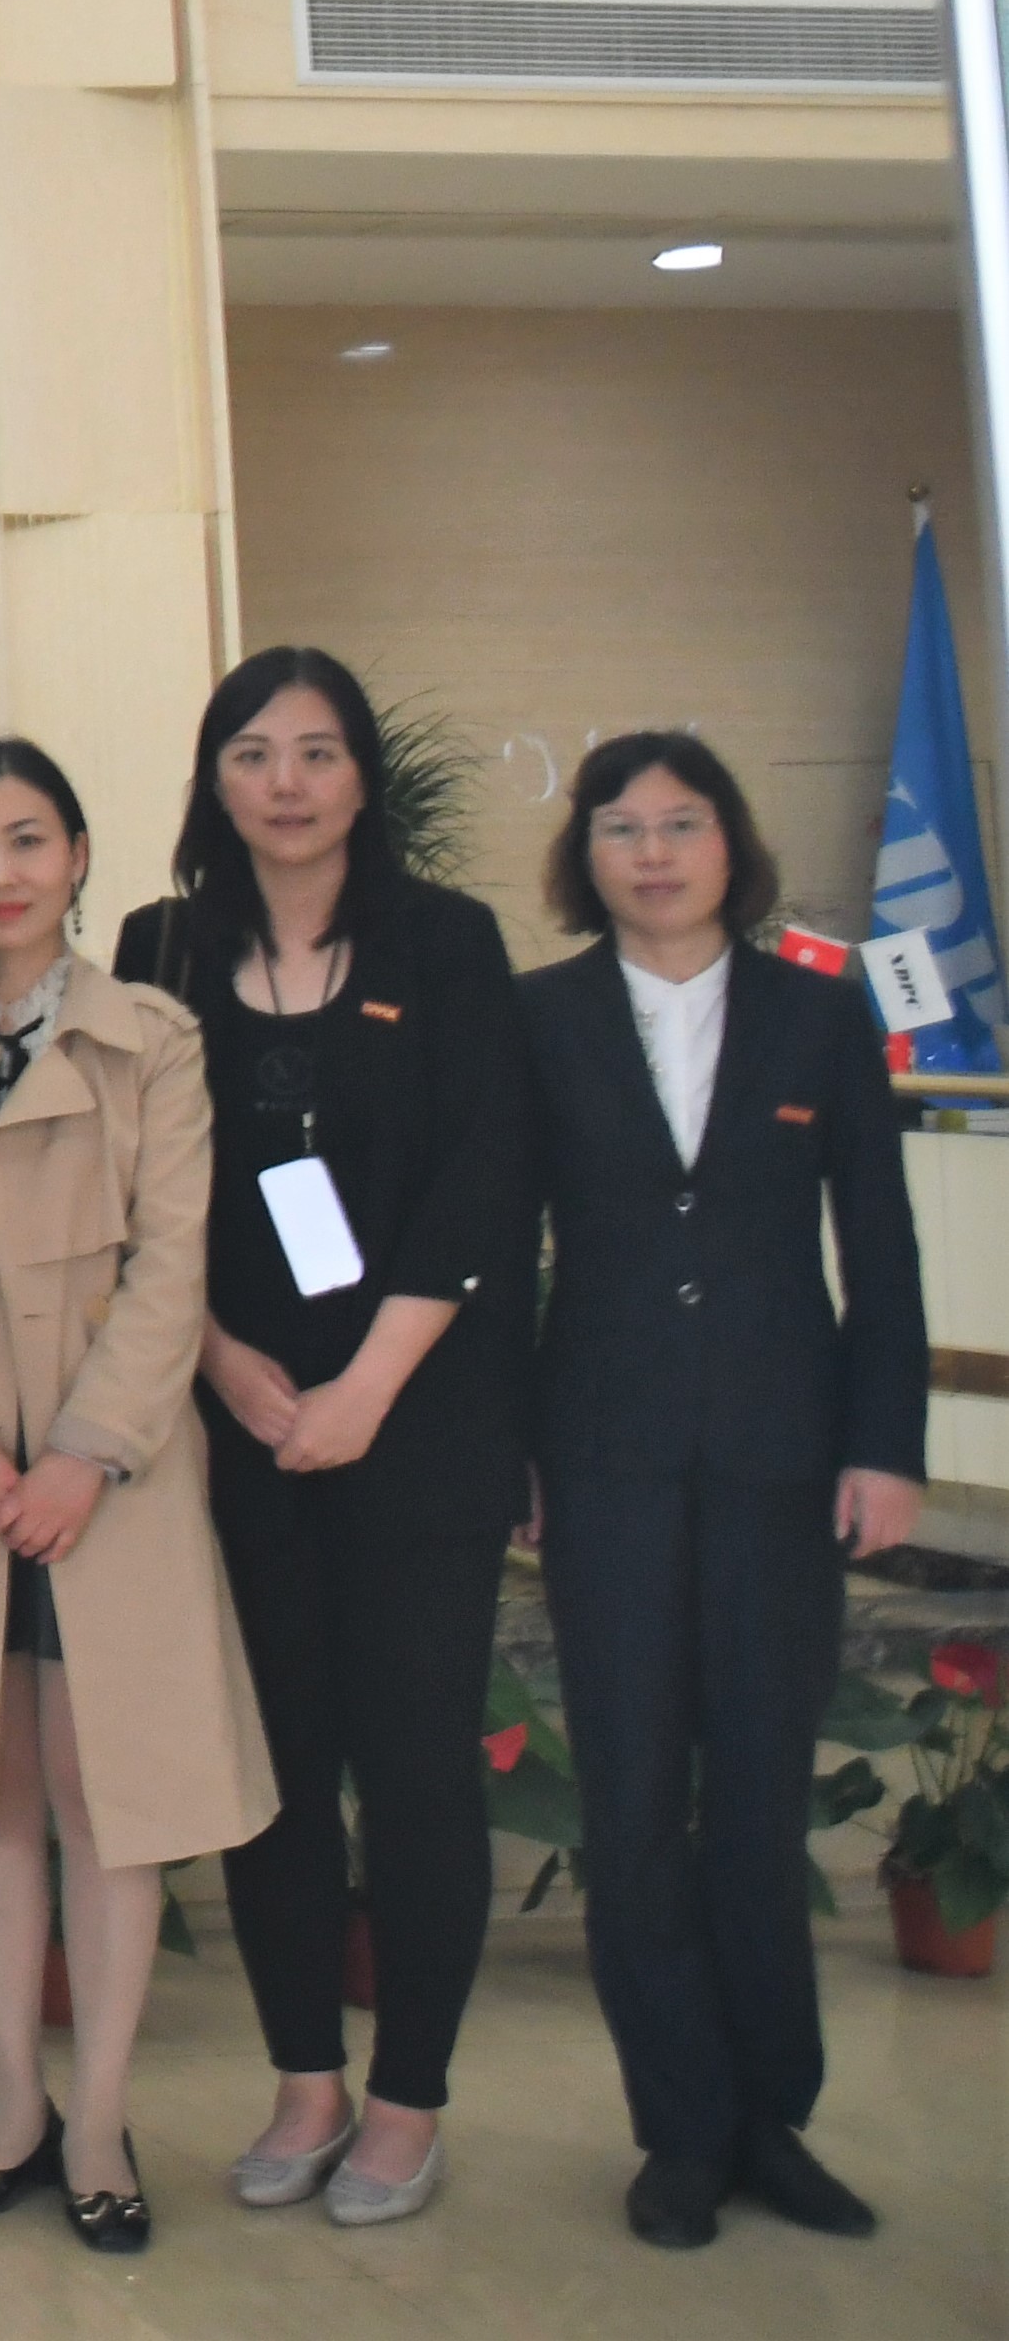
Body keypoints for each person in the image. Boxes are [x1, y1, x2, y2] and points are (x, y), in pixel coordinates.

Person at [0, 739, 274, 2262]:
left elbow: (173, 1263)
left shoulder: (155, 1038)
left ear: (79, 856)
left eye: (28, 841)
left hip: (108, 1478)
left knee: (110, 1805)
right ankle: (13, 2104)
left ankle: (98, 2120)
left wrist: (85, 1453)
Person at [112, 646, 532, 2225]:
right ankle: (306, 2083)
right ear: (213, 779)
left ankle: (409, 2100)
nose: (285, 783)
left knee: (417, 1768)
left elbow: (486, 1178)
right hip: (238, 1425)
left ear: (363, 776)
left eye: (316, 751)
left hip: (419, 1421)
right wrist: (221, 1364)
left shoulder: (448, 940)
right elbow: (134, 1195)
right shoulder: (158, 948)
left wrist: (368, 1385)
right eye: (252, 753)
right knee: (273, 1771)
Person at [520, 730, 923, 2251]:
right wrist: (514, 1454)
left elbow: (880, 1249)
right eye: (621, 828)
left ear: (729, 844)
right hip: (603, 1461)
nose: (654, 853)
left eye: (681, 824)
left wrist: (884, 1445)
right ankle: (682, 2129)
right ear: (587, 856)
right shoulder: (541, 1019)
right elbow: (495, 1250)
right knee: (631, 1805)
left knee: (757, 1801)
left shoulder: (819, 1016)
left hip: (781, 1463)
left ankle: (772, 2119)